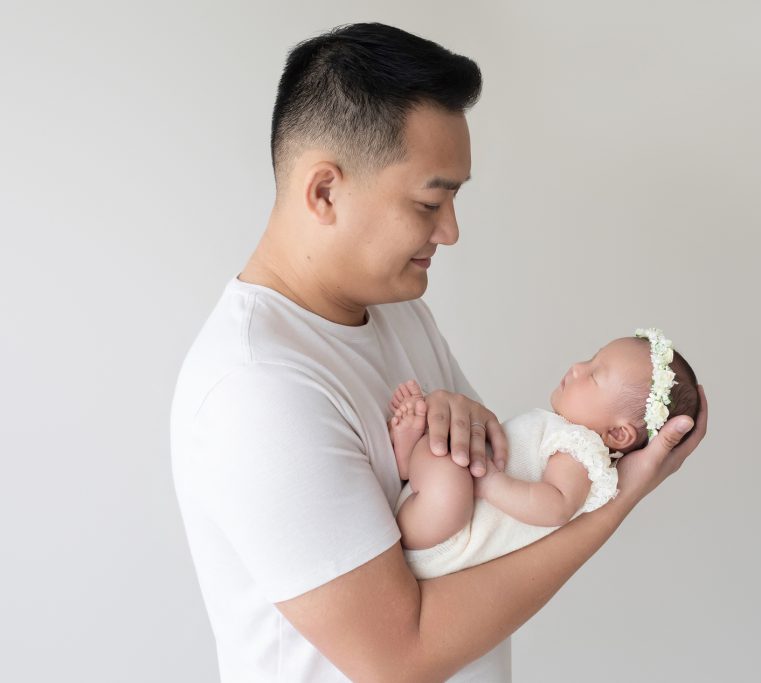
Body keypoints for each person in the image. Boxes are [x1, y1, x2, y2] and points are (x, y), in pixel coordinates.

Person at [169, 21, 708, 683]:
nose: (449, 231)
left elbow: (492, 519)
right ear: (325, 191)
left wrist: (475, 427)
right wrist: (618, 500)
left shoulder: (400, 312)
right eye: (431, 201)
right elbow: (400, 654)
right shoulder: (255, 390)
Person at [386, 329, 701, 580]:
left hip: (445, 535)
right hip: (439, 510)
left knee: (454, 469)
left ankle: (410, 457)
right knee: (455, 445)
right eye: (590, 359)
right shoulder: (562, 432)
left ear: (618, 434)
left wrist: (491, 484)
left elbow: (556, 506)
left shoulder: (583, 453)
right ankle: (409, 458)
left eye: (593, 375)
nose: (577, 368)